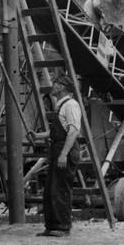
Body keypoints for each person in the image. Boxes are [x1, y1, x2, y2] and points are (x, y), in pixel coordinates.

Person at [30, 80, 82, 236]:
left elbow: (73, 132)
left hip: (65, 149)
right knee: (50, 191)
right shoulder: (61, 105)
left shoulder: (71, 105)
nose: (52, 86)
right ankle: (51, 226)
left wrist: (64, 154)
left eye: (56, 84)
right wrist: (38, 136)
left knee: (61, 190)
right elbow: (56, 132)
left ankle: (63, 227)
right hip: (58, 148)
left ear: (62, 88)